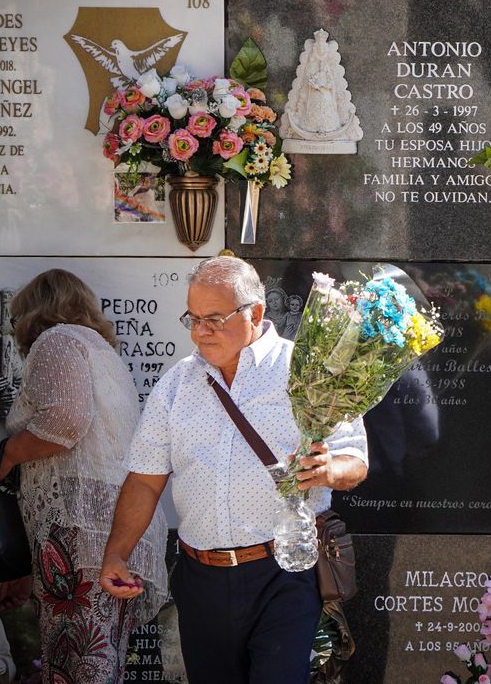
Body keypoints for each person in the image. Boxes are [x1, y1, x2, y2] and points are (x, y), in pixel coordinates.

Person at [100, 257, 369, 684]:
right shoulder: (176, 385)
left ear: (255, 314)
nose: (200, 331)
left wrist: (328, 469)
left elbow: (355, 461)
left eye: (214, 319)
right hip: (200, 578)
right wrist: (117, 553)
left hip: (284, 573)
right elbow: (145, 481)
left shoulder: (306, 372)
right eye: (193, 318)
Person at [0, 269, 168, 684]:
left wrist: (4, 455)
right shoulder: (98, 350)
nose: (15, 331)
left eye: (15, 320)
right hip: (108, 531)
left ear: (33, 313)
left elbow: (65, 422)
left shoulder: (57, 340)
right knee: (97, 666)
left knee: (78, 665)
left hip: (79, 535)